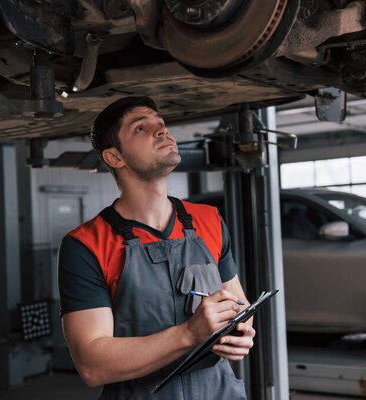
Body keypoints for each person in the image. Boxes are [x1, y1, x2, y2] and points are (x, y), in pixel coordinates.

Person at [57, 96, 254, 399]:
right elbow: (92, 364)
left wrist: (241, 331)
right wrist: (190, 334)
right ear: (114, 157)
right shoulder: (86, 245)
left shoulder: (210, 219)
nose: (161, 131)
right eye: (141, 128)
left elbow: (239, 304)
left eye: (161, 124)